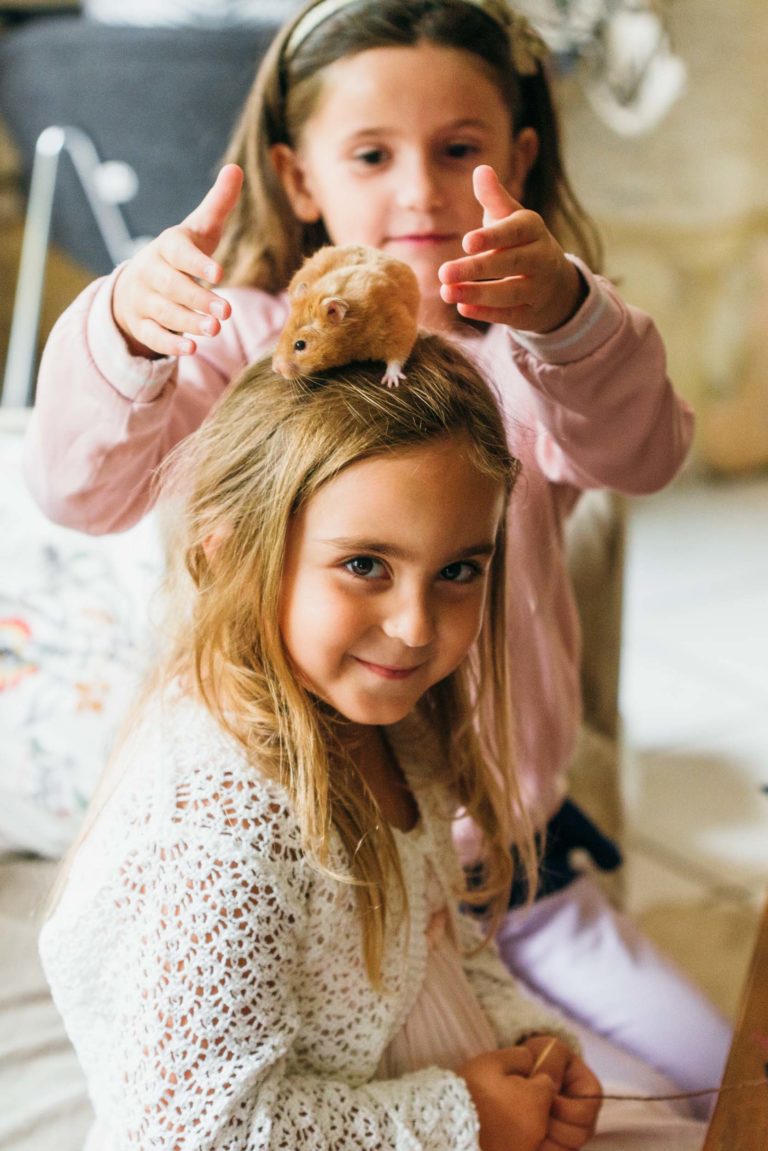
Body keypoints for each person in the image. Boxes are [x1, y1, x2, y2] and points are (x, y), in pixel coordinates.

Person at [25, 0, 730, 1108]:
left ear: (521, 157)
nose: (420, 191)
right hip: (330, 890)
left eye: (460, 151)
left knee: (710, 1080)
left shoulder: (528, 361)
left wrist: (568, 316)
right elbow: (77, 484)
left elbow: (645, 448)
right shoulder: (248, 346)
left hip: (519, 875)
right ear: (298, 176)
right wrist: (120, 326)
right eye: (371, 154)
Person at [40, 336, 607, 1151]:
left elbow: (434, 950)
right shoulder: (216, 830)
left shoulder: (397, 726)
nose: (416, 626)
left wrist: (528, 1043)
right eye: (366, 564)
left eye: (457, 570)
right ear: (233, 553)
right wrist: (463, 1121)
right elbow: (196, 1133)